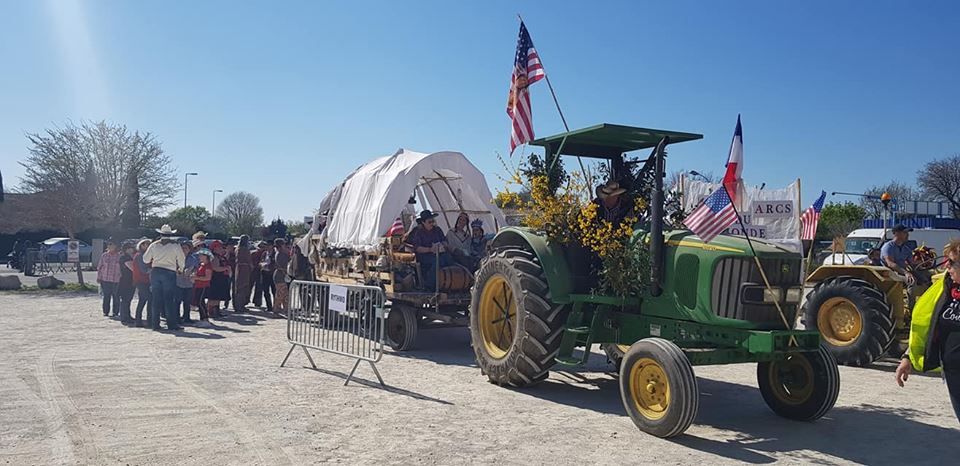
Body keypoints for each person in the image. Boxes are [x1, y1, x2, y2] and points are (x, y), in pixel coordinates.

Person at [896, 239, 960, 422]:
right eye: (947, 261)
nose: (947, 267)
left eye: (952, 262)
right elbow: (927, 325)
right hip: (953, 374)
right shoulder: (945, 291)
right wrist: (908, 357)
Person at [142, 225, 186, 331]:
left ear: (160, 234)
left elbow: (145, 259)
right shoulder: (175, 245)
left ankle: (155, 324)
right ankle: (171, 324)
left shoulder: (154, 245)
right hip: (169, 272)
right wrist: (181, 269)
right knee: (169, 299)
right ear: (170, 234)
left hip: (156, 271)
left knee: (156, 299)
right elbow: (181, 259)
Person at [404, 209, 454, 290]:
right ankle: (429, 285)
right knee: (437, 262)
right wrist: (430, 249)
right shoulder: (418, 232)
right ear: (423, 222)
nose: (432, 224)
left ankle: (449, 283)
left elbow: (444, 240)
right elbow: (418, 248)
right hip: (424, 256)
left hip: (439, 253)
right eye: (429, 222)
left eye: (433, 221)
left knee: (449, 259)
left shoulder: (437, 230)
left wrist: (443, 245)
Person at [205, 240, 232, 318]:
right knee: (213, 297)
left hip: (221, 278)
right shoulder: (214, 257)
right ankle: (210, 312)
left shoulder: (220, 256)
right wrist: (225, 268)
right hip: (215, 278)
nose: (221, 249)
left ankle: (216, 311)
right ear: (215, 248)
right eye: (219, 247)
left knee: (218, 297)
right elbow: (215, 268)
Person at [96, 240, 122, 318]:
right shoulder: (104, 256)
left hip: (116, 280)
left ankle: (115, 312)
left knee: (116, 297)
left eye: (112, 245)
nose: (110, 246)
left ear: (116, 246)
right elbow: (100, 267)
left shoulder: (119, 256)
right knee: (106, 296)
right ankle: (106, 312)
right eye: (109, 245)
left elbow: (122, 268)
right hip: (105, 279)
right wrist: (99, 277)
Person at [177, 241, 199, 325]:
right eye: (182, 248)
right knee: (177, 301)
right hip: (178, 282)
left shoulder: (192, 258)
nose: (184, 250)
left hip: (189, 282)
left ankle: (186, 317)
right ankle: (177, 317)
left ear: (189, 249)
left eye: (186, 248)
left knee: (187, 301)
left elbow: (195, 268)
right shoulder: (176, 258)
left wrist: (193, 272)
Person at [132, 239, 152, 327]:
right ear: (142, 245)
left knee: (142, 300)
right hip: (141, 281)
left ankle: (139, 321)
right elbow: (143, 270)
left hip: (146, 281)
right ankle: (149, 321)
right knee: (150, 299)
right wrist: (154, 269)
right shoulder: (140, 256)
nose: (149, 245)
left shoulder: (146, 255)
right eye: (147, 244)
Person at [191, 249, 213, 326]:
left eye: (201, 255)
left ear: (205, 256)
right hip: (198, 285)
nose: (199, 257)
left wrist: (196, 277)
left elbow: (208, 277)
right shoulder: (201, 264)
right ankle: (202, 318)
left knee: (200, 302)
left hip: (204, 286)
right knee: (199, 302)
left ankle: (205, 318)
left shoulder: (208, 265)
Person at [117, 241, 136, 325]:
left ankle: (128, 316)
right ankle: (124, 317)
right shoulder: (124, 258)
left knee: (128, 299)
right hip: (125, 281)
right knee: (125, 299)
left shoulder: (130, 257)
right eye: (130, 248)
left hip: (130, 280)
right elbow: (132, 268)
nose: (132, 249)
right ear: (126, 249)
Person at [233, 235, 253, 311]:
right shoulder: (245, 250)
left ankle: (238, 305)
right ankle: (240, 306)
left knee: (238, 287)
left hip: (238, 268)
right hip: (244, 268)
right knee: (243, 287)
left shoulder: (237, 249)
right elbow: (248, 260)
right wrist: (251, 267)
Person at [273, 238, 291, 315]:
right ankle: (277, 310)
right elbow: (284, 266)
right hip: (281, 275)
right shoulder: (281, 254)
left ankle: (285, 310)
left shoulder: (279, 253)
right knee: (280, 294)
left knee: (285, 294)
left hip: (280, 275)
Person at [258, 242, 276, 312]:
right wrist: (261, 264)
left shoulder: (275, 253)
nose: (267, 247)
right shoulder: (264, 253)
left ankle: (276, 306)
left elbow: (275, 263)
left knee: (274, 291)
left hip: (272, 274)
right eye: (266, 246)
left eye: (268, 245)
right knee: (265, 290)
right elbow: (260, 261)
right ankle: (269, 306)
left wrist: (268, 266)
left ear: (272, 246)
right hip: (264, 273)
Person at [251, 241, 266, 306]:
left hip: (261, 271)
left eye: (263, 247)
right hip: (253, 271)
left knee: (259, 287)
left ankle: (257, 302)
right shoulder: (253, 253)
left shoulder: (265, 254)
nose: (261, 248)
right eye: (260, 246)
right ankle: (245, 300)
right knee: (249, 286)